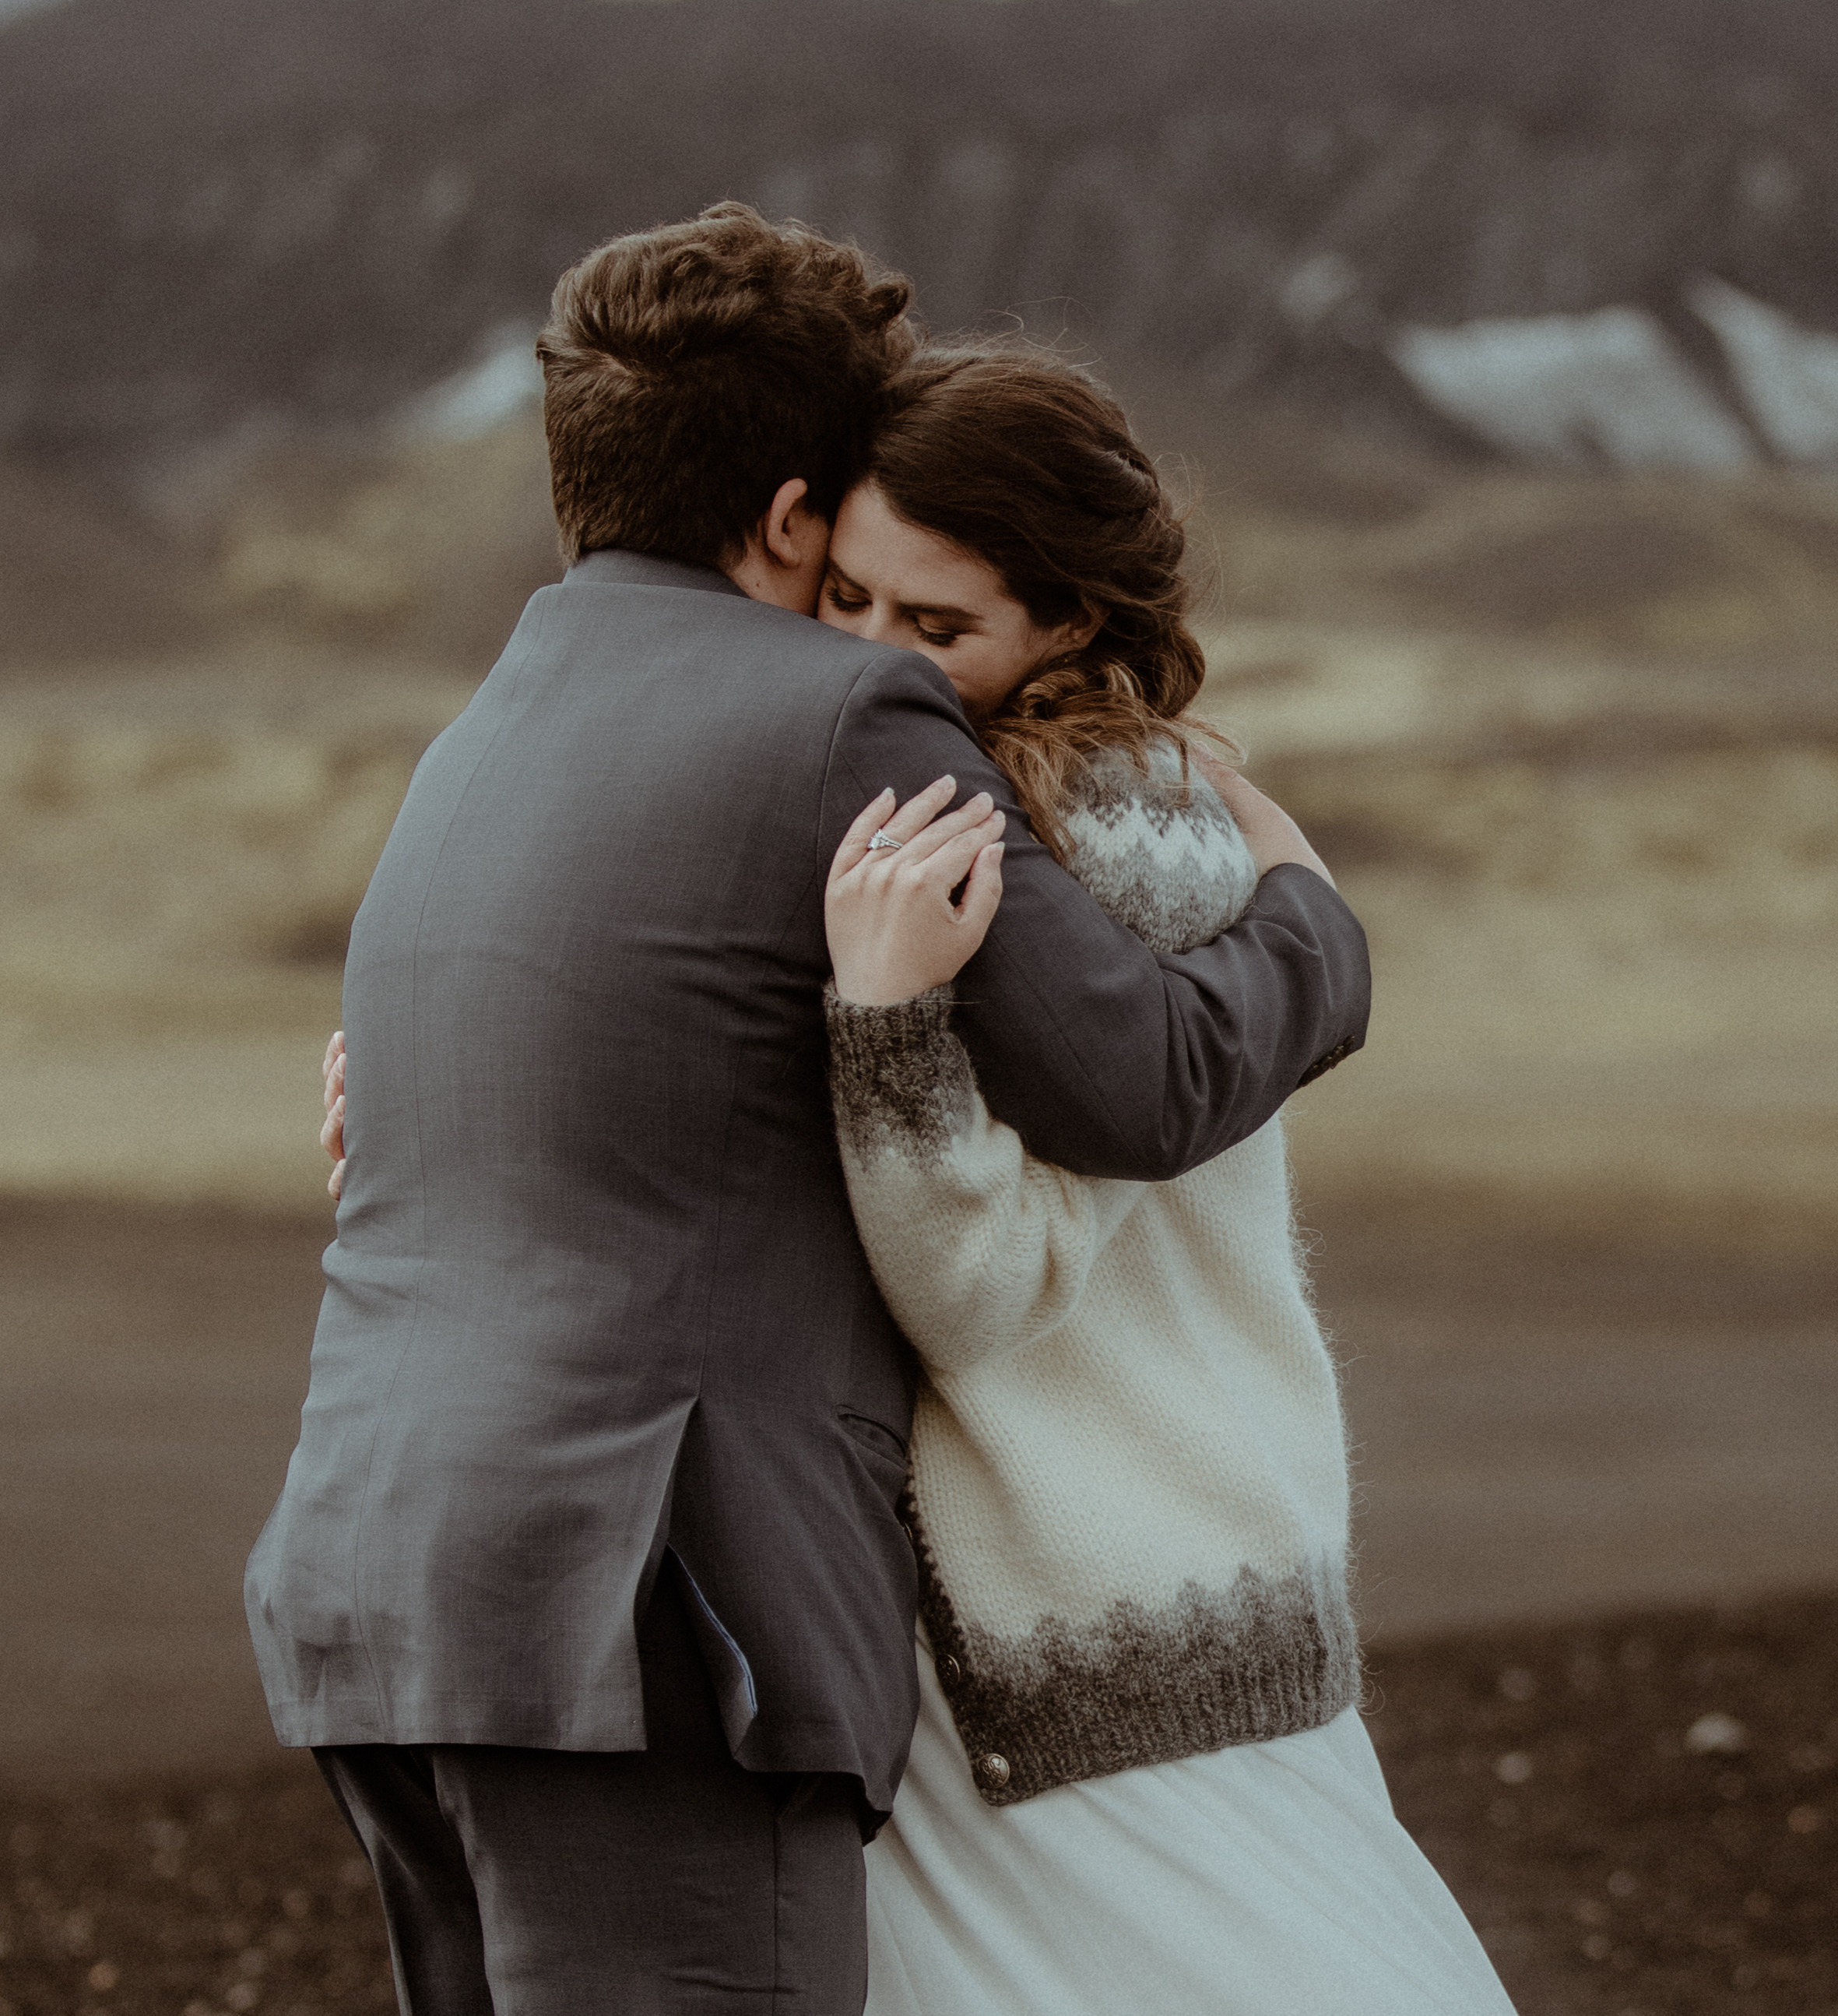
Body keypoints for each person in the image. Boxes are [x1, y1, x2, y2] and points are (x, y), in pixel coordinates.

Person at [254, 201, 1370, 2016]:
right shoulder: (842, 718)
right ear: (789, 514)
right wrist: (1311, 913)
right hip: (647, 1619)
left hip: (384, 1581)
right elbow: (1145, 1078)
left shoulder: (479, 741)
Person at [807, 346, 1517, 2014]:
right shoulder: (1118, 793)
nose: (859, 662)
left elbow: (978, 1290)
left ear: (1062, 622)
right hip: (1186, 1579)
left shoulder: (1074, 835)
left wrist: (884, 1023)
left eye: (930, 627)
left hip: (1090, 1631)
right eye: (838, 596)